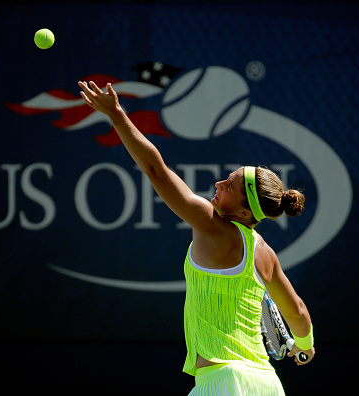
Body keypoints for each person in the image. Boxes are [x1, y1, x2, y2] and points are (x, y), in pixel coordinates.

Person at [78, 81, 315, 395]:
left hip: (223, 383)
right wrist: (306, 345)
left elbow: (155, 170)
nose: (218, 184)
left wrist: (117, 115)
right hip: (267, 385)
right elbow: (297, 311)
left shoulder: (212, 226)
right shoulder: (266, 254)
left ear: (245, 213)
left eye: (229, 186)